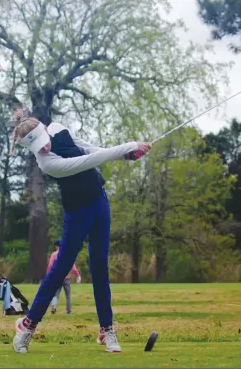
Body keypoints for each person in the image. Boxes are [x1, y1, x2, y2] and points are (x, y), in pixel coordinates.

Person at [11, 108, 152, 354]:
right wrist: (129, 145)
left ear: (45, 129)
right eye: (38, 148)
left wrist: (127, 155)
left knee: (100, 267)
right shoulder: (47, 164)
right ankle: (27, 325)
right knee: (60, 269)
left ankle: (106, 329)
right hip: (77, 213)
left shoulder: (58, 129)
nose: (44, 148)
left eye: (44, 142)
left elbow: (89, 149)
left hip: (100, 202)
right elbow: (89, 161)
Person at [48, 240, 81, 314]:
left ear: (56, 246)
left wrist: (49, 274)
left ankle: (54, 306)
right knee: (68, 295)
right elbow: (72, 267)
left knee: (56, 293)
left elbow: (50, 265)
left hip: (57, 277)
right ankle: (69, 310)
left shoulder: (54, 254)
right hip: (66, 277)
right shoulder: (67, 254)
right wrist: (77, 275)